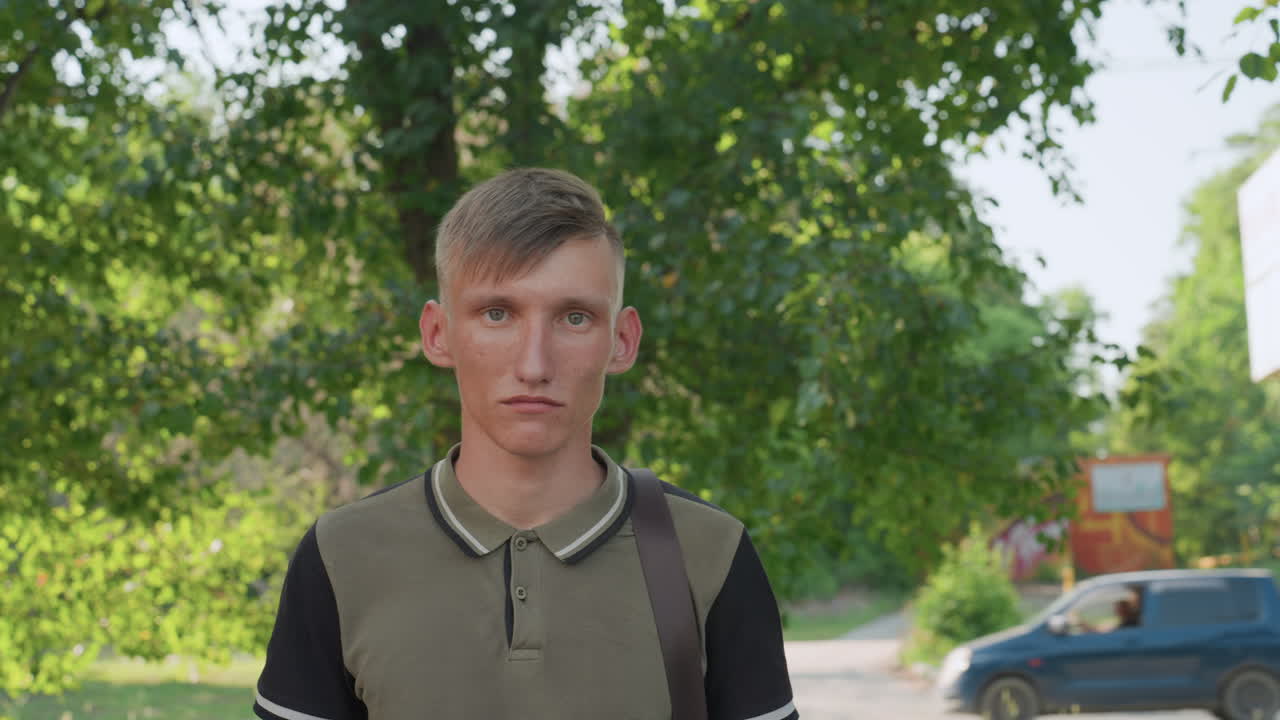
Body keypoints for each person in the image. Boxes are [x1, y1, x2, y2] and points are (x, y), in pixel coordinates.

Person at [252, 168, 798, 720]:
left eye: (575, 317)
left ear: (622, 340)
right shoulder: (341, 556)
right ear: (438, 334)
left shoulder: (711, 553)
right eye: (497, 314)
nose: (534, 365)